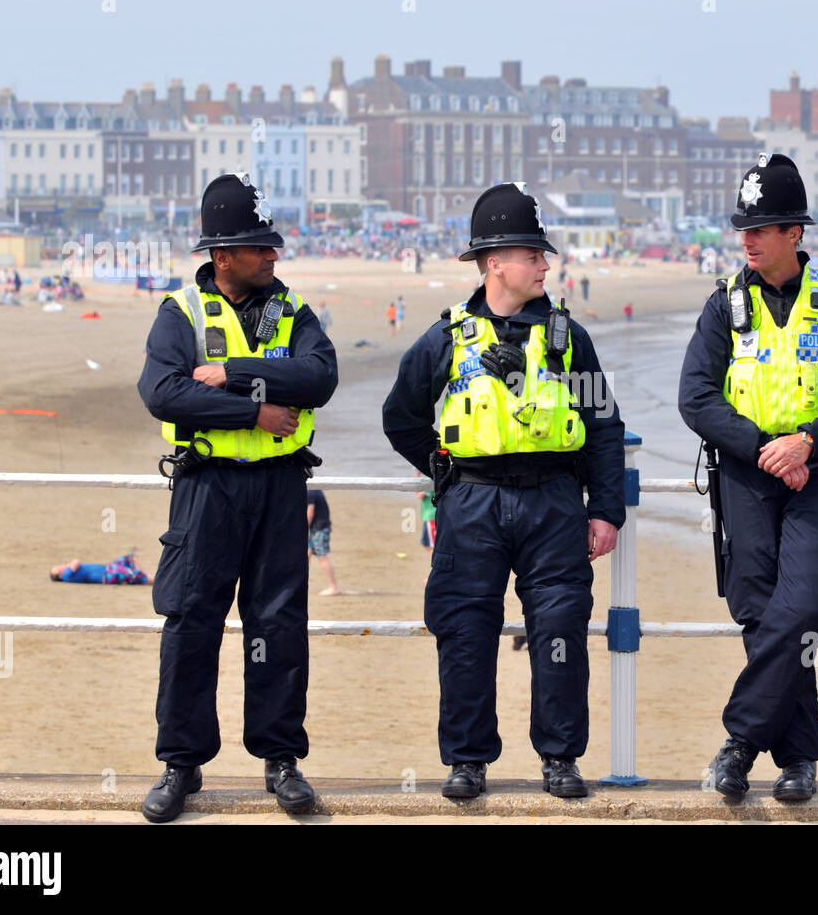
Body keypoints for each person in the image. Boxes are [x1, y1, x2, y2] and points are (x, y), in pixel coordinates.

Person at [382, 182, 625, 801]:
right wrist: (441, 469)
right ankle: (467, 762)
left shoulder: (570, 339)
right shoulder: (447, 338)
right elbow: (401, 416)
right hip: (472, 502)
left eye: (544, 255)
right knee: (464, 631)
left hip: (554, 502)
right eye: (533, 254)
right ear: (495, 263)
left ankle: (560, 759)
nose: (546, 264)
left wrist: (606, 511)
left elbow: (602, 425)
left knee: (561, 629)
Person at [679, 154, 818, 803]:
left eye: (762, 227)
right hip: (744, 479)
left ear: (795, 232)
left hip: (815, 478)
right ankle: (797, 760)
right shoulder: (723, 306)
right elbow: (696, 396)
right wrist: (766, 445)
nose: (748, 237)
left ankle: (738, 743)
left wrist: (807, 443)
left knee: (801, 611)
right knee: (759, 614)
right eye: (744, 226)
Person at [136, 172, 338, 823]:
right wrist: (253, 413)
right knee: (191, 620)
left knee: (279, 626)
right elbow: (163, 392)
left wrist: (234, 375)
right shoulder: (180, 313)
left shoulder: (293, 310)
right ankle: (181, 763)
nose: (273, 255)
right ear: (222, 254)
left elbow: (320, 376)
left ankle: (281, 761)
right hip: (206, 489)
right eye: (259, 247)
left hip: (280, 489)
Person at [307, 488, 340, 596]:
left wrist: (302, 528)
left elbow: (310, 512)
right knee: (306, 555)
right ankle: (299, 584)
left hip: (319, 529)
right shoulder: (316, 488)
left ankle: (333, 587)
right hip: (317, 528)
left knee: (322, 557)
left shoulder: (310, 490)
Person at [50, 554, 151, 585]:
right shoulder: (66, 575)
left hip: (108, 569)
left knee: (129, 558)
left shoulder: (67, 574)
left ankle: (146, 575)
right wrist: (68, 565)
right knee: (135, 575)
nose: (60, 567)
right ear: (59, 575)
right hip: (108, 575)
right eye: (57, 569)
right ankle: (154, 580)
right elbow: (76, 562)